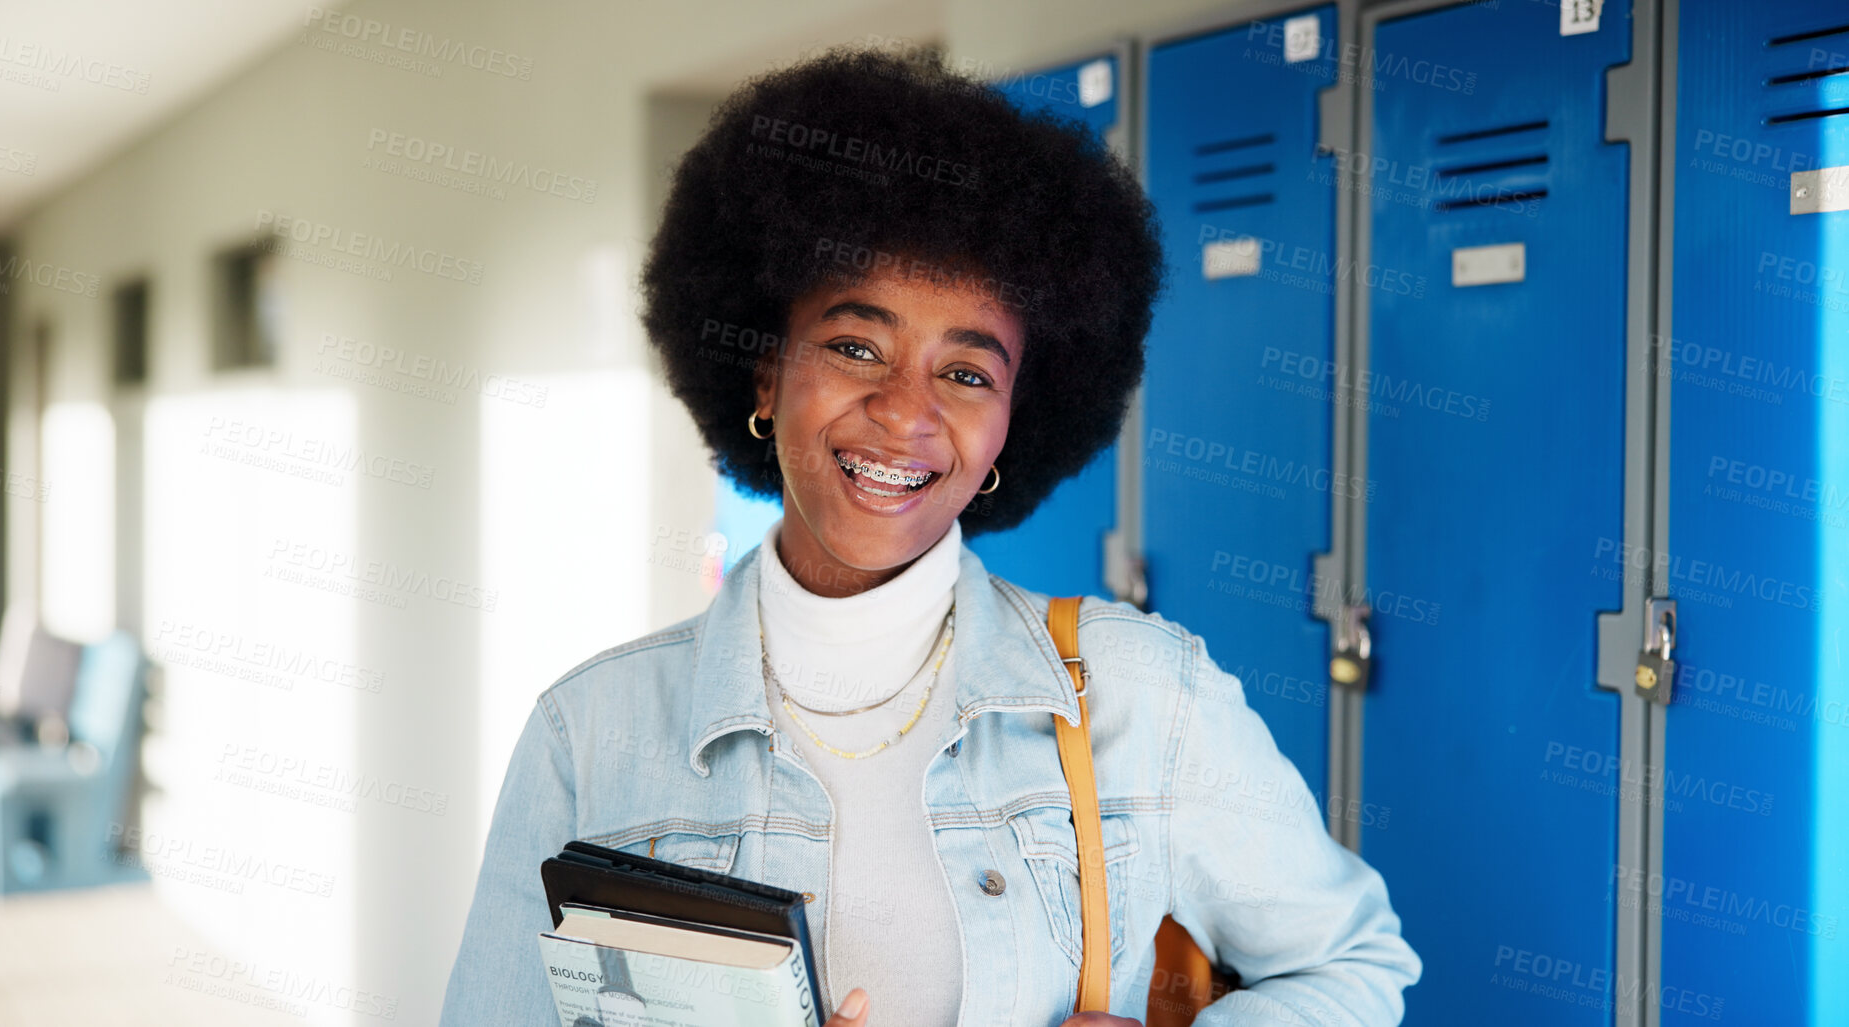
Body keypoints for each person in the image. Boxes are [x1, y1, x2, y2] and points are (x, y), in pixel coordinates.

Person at [441, 45, 1420, 1027]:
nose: (905, 415)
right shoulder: (590, 733)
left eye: (965, 374)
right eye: (856, 345)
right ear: (764, 374)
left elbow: (1353, 967)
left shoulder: (1143, 696)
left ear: (1012, 426)